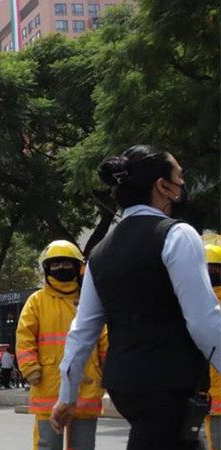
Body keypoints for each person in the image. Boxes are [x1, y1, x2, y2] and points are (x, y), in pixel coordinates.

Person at [50, 145, 221, 450]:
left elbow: (82, 331)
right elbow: (204, 321)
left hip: (125, 386)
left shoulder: (100, 253)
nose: (183, 186)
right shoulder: (178, 235)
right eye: (179, 178)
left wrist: (67, 395)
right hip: (170, 384)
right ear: (162, 186)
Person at [17, 240, 108, 450]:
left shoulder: (90, 301)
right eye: (55, 263)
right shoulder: (36, 302)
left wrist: (109, 371)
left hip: (87, 388)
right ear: (47, 268)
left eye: (66, 263)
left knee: (84, 447)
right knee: (48, 445)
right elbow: (24, 338)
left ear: (78, 267)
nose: (61, 268)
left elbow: (104, 339)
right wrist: (31, 370)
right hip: (47, 387)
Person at [204, 243, 221, 450]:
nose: (212, 274)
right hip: (210, 394)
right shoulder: (197, 304)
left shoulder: (199, 306)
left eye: (216, 269)